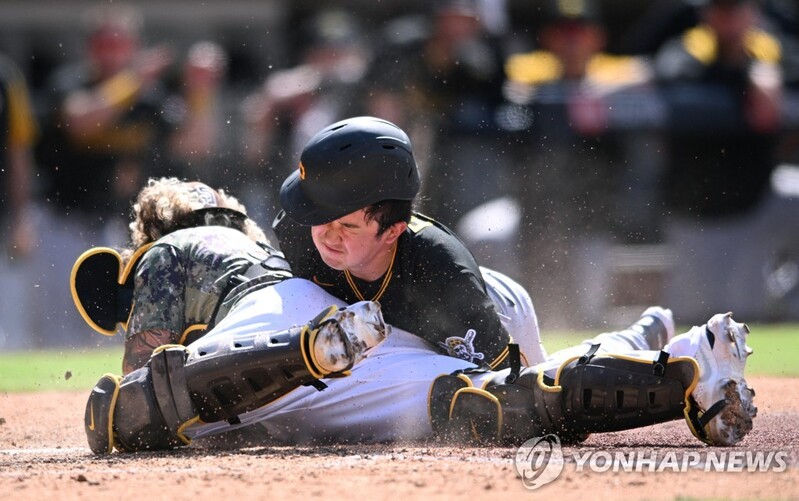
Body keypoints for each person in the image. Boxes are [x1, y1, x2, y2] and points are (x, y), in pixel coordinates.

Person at [271, 115, 548, 368]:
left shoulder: (442, 276)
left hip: (490, 307)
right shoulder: (299, 231)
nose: (328, 235)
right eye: (320, 215)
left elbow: (507, 377)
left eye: (346, 225)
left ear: (392, 231)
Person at [71, 177, 290, 374]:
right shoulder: (256, 246)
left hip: (257, 346)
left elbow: (141, 373)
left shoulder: (167, 248)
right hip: (306, 336)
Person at [0, 53, 39, 350]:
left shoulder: (5, 76)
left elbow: (18, 150)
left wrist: (23, 216)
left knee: (9, 328)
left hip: (2, 216)